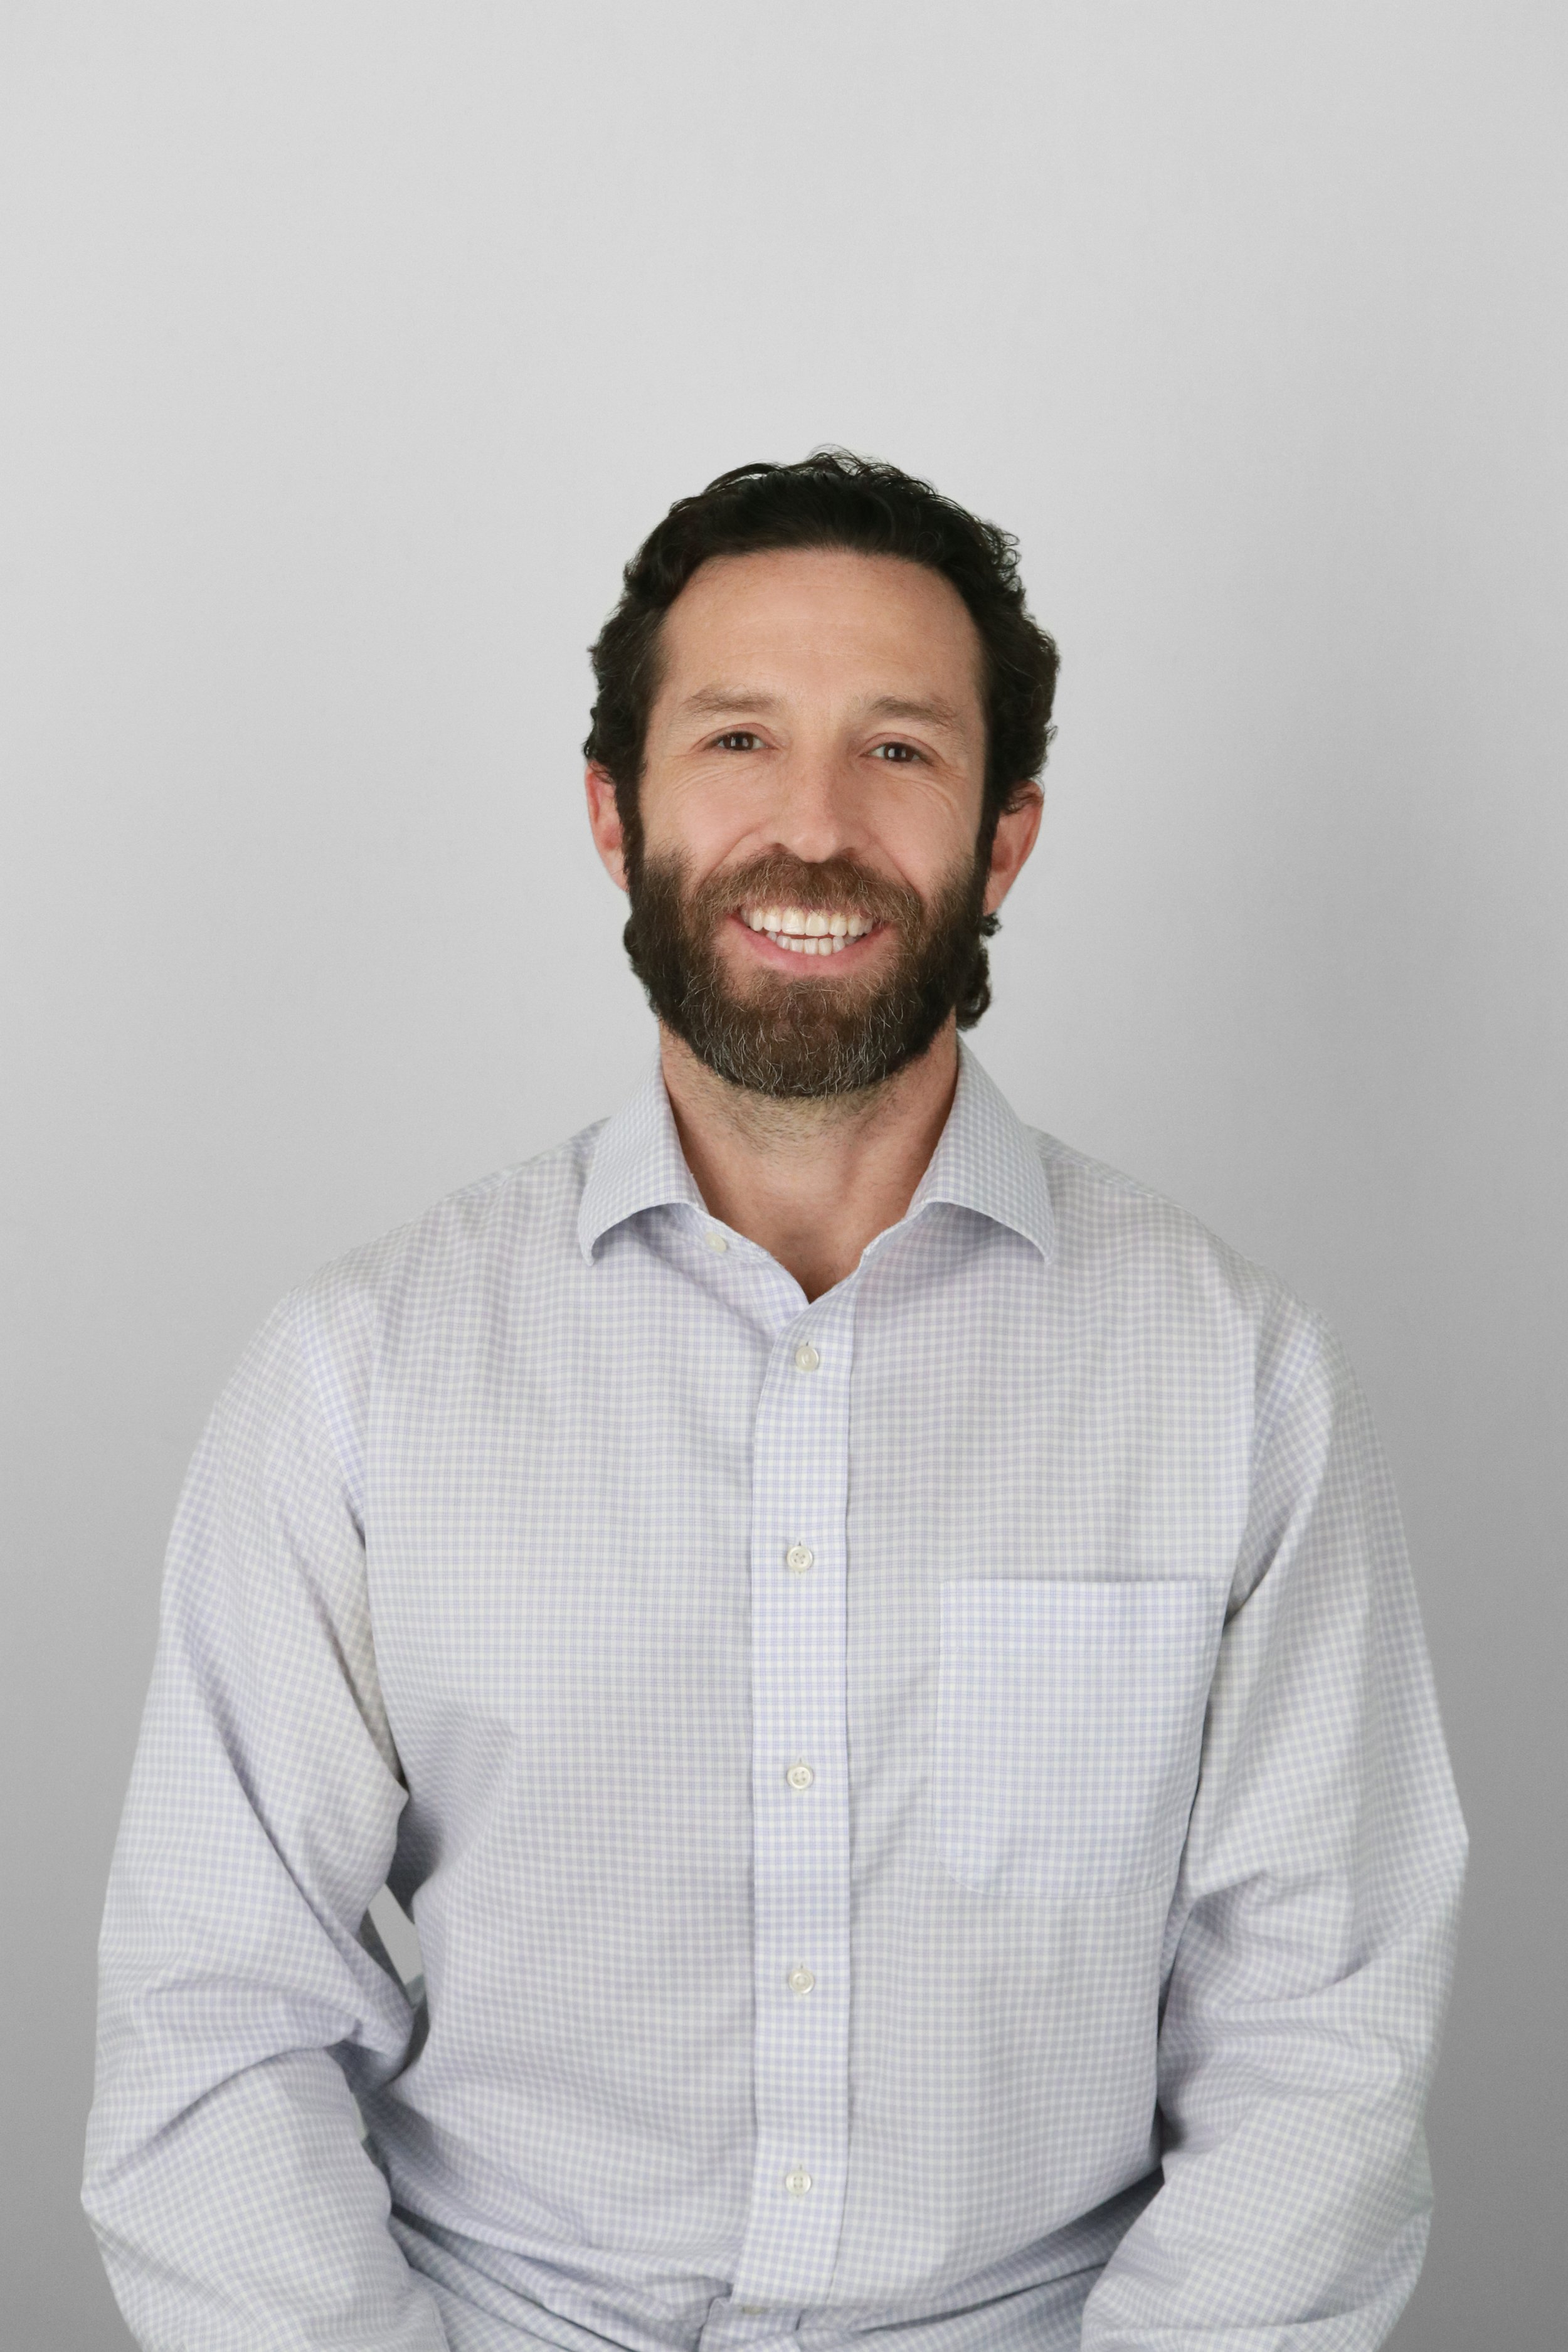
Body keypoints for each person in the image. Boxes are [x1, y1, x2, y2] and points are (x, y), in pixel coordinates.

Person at [83, 452, 1467, 2352]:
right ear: (613, 812)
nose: (811, 828)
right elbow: (214, 2028)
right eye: (737, 738)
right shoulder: (358, 1377)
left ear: (1003, 839)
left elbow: (1322, 2049)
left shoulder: (1233, 1383)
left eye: (897, 751)